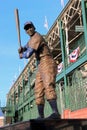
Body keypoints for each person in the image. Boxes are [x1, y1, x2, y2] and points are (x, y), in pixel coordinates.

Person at [18, 21, 61, 119]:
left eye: (30, 27)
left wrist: (22, 55)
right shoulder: (31, 40)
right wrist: (21, 49)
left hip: (47, 61)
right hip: (41, 64)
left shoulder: (37, 37)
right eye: (27, 28)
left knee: (48, 86)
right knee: (38, 90)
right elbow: (25, 47)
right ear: (25, 31)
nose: (29, 29)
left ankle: (55, 113)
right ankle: (40, 115)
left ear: (34, 27)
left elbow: (28, 53)